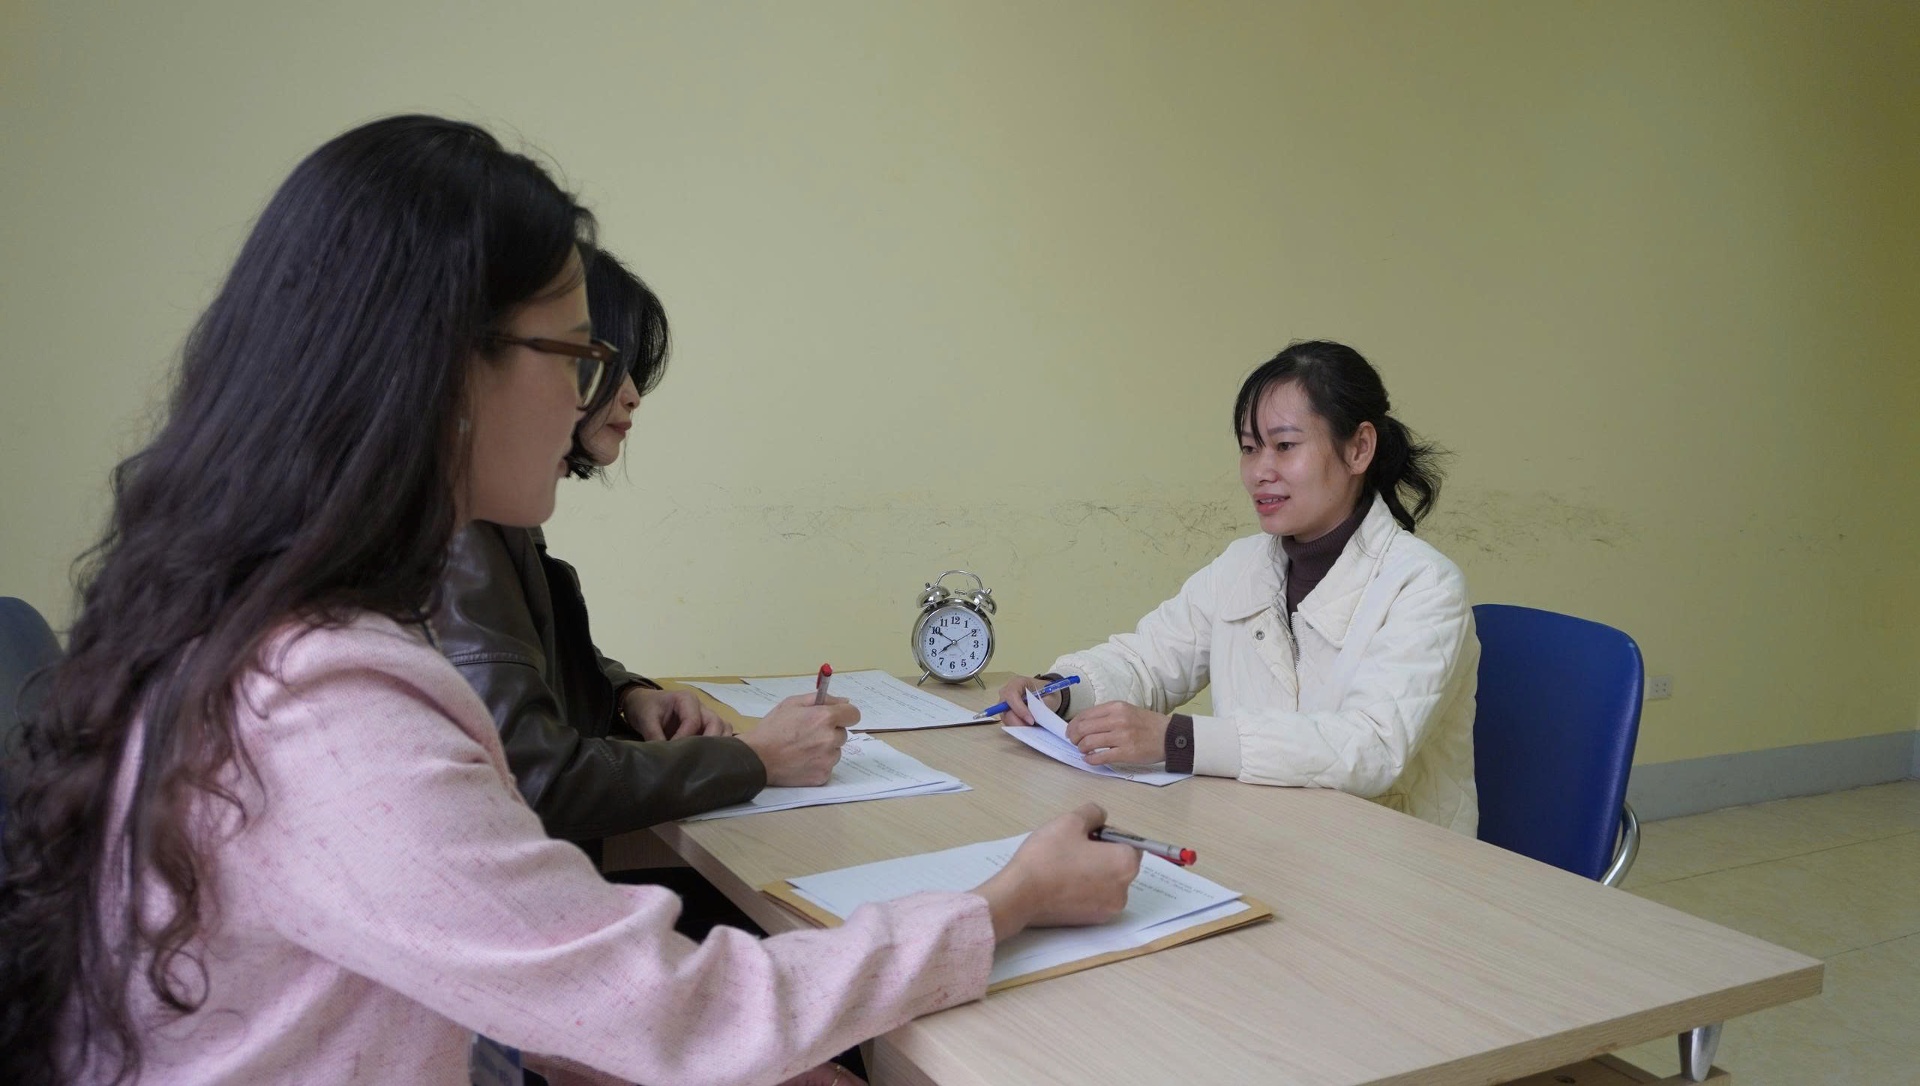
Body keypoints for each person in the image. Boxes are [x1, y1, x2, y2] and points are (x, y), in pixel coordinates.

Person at [0, 114, 1140, 1086]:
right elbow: (674, 1013)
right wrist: (1005, 900)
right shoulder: (327, 709)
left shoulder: (251, 628)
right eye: (578, 357)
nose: (594, 398)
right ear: (447, 367)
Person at [431, 249, 847, 863]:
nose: (630, 396)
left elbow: (526, 666)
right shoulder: (464, 520)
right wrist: (755, 758)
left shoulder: (493, 508)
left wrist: (628, 695)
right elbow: (533, 778)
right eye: (598, 362)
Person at [998, 341, 1479, 835]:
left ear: (1358, 448)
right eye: (1250, 449)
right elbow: (1147, 663)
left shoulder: (1424, 584)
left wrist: (1178, 739)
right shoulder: (1241, 566)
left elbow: (1371, 746)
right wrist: (1058, 692)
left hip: (1389, 858)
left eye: (1284, 446)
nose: (1259, 472)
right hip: (1260, 836)